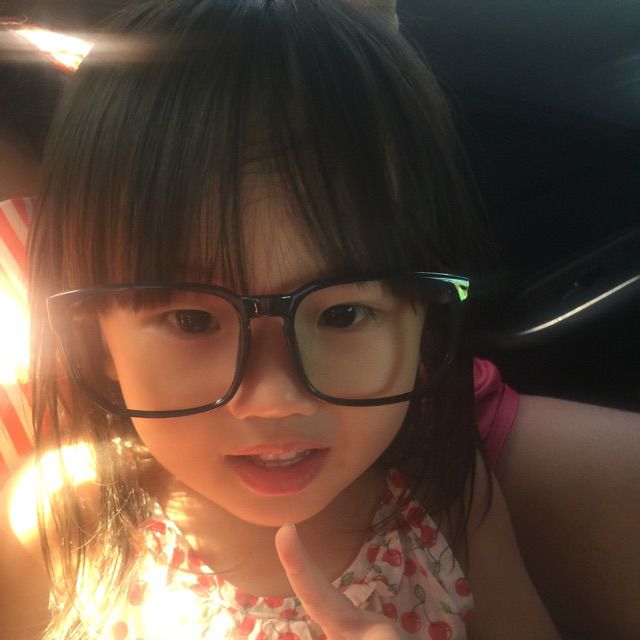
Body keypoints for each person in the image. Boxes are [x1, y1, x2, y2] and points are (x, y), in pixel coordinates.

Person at [1, 0, 564, 638]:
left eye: (344, 314)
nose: (273, 397)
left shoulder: (451, 497)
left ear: (422, 322)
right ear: (96, 336)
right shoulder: (54, 520)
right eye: (191, 320)